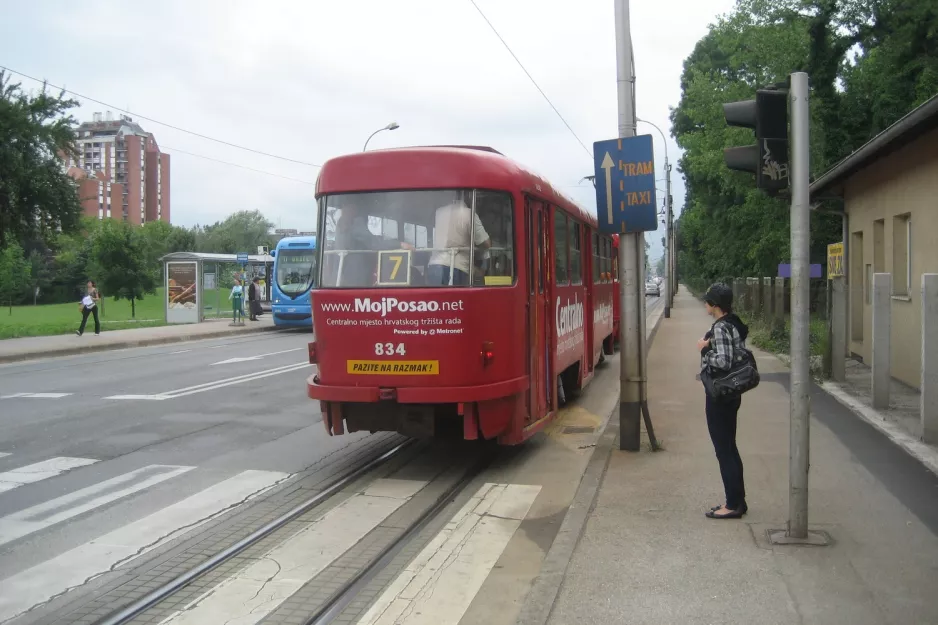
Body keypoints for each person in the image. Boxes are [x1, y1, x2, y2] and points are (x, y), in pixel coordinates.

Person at [697, 282, 750, 519]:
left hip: (720, 395)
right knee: (730, 447)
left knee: (724, 450)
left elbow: (724, 361)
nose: (705, 304)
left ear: (715, 305)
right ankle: (738, 501)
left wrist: (704, 350)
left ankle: (732, 505)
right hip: (732, 394)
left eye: (707, 301)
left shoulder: (720, 327)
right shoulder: (734, 323)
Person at [334, 204, 413, 286]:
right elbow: (375, 243)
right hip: (358, 274)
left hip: (342, 274)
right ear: (353, 210)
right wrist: (400, 244)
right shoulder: (356, 223)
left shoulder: (340, 226)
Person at [427, 191, 490, 286]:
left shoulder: (439, 212)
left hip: (434, 265)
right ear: (469, 197)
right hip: (457, 268)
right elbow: (486, 243)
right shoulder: (470, 214)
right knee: (456, 300)